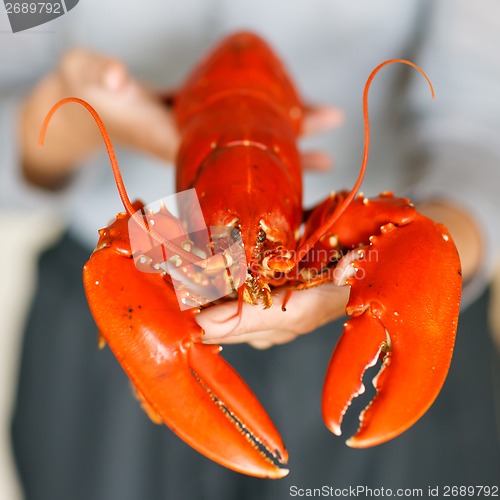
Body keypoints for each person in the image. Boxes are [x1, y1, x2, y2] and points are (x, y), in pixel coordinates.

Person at [1, 0, 499, 499]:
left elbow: (479, 121)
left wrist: (445, 242)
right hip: (128, 323)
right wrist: (62, 124)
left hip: (378, 307)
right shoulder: (152, 247)